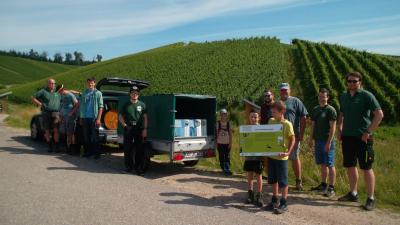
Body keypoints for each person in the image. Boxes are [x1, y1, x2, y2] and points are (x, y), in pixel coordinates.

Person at [337, 71, 384, 211]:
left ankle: (370, 198)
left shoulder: (366, 96)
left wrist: (368, 131)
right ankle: (353, 193)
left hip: (363, 138)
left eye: (354, 81)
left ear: (360, 82)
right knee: (350, 166)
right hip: (347, 137)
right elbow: (341, 114)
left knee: (366, 167)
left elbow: (379, 114)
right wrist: (339, 130)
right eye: (349, 81)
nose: (351, 83)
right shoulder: (344, 96)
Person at [265, 101, 295, 214]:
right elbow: (268, 136)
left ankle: (284, 203)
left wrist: (288, 152)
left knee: (283, 181)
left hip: (282, 157)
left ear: (282, 111)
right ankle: (274, 200)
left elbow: (293, 139)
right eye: (271, 111)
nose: (272, 113)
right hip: (271, 156)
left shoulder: (287, 124)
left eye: (274, 111)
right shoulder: (271, 121)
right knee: (272, 179)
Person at [308, 88, 337, 197]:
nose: (321, 98)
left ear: (327, 97)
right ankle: (323, 184)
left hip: (327, 141)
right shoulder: (315, 109)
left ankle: (332, 188)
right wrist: (311, 138)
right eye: (320, 96)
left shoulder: (331, 110)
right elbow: (313, 125)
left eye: (324, 96)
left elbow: (333, 127)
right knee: (322, 164)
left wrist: (329, 142)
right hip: (318, 140)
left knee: (330, 164)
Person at [278, 82, 307, 190]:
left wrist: (301, 133)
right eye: (282, 90)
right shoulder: (278, 102)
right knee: (280, 157)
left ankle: (298, 181)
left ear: (289, 90)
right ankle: (282, 181)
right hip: (280, 136)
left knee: (294, 158)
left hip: (293, 135)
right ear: (279, 91)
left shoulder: (296, 101)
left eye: (285, 90)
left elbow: (303, 117)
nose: (284, 92)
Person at [119, 85, 148, 175]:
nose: (134, 94)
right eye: (133, 93)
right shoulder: (126, 105)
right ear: (130, 94)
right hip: (129, 128)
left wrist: (145, 129)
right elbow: (120, 116)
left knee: (139, 149)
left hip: (139, 129)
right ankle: (128, 167)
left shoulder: (142, 105)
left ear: (138, 94)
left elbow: (145, 118)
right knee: (127, 148)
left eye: (136, 93)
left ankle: (138, 168)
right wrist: (124, 125)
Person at [31, 79, 61, 152]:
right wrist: (40, 104)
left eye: (54, 83)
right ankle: (50, 146)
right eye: (51, 83)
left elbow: (67, 92)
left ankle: (56, 147)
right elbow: (33, 97)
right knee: (47, 130)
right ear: (48, 84)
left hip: (56, 113)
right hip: (46, 112)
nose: (53, 85)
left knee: (56, 130)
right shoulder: (43, 91)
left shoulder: (57, 92)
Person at [243, 111, 264, 207]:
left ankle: (259, 195)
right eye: (251, 117)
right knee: (249, 175)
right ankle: (250, 194)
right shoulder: (245, 129)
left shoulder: (262, 129)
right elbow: (243, 142)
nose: (253, 119)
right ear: (249, 118)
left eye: (255, 117)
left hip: (259, 157)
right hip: (249, 157)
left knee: (259, 176)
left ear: (258, 117)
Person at [79, 77, 103, 159]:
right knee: (86, 136)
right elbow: (82, 106)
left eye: (92, 83)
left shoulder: (98, 93)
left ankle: (97, 154)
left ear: (94, 83)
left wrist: (99, 119)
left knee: (95, 137)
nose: (90, 84)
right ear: (87, 83)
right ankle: (88, 152)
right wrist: (81, 118)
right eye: (89, 83)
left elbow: (101, 107)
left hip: (94, 118)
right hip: (85, 118)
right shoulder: (84, 93)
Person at [57, 84, 79, 154]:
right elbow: (61, 106)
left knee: (71, 133)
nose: (59, 93)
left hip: (70, 117)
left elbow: (77, 104)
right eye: (58, 92)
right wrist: (60, 116)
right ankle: (68, 147)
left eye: (59, 91)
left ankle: (71, 148)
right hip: (64, 116)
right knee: (65, 132)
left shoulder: (70, 95)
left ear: (62, 89)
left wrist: (72, 112)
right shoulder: (62, 95)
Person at [216, 108, 233, 175]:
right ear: (220, 115)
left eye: (225, 114)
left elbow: (231, 134)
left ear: (226, 115)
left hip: (227, 143)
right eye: (222, 114)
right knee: (221, 156)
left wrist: (230, 143)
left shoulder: (229, 124)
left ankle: (227, 169)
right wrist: (216, 143)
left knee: (227, 156)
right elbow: (216, 134)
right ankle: (223, 169)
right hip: (220, 143)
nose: (223, 116)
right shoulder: (217, 123)